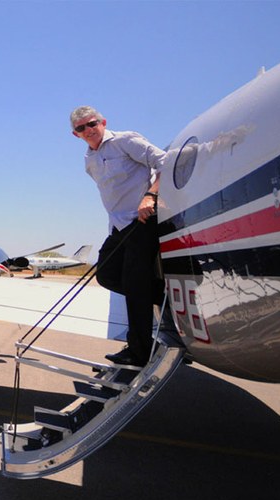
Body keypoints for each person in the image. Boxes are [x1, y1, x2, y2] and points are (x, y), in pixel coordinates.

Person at [70, 106, 166, 366]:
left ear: (103, 122)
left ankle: (140, 351)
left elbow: (166, 163)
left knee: (135, 286)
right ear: (75, 134)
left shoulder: (125, 141)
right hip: (118, 227)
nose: (88, 130)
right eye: (81, 128)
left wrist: (151, 195)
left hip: (142, 221)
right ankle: (165, 295)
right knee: (107, 274)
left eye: (92, 124)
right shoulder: (89, 160)